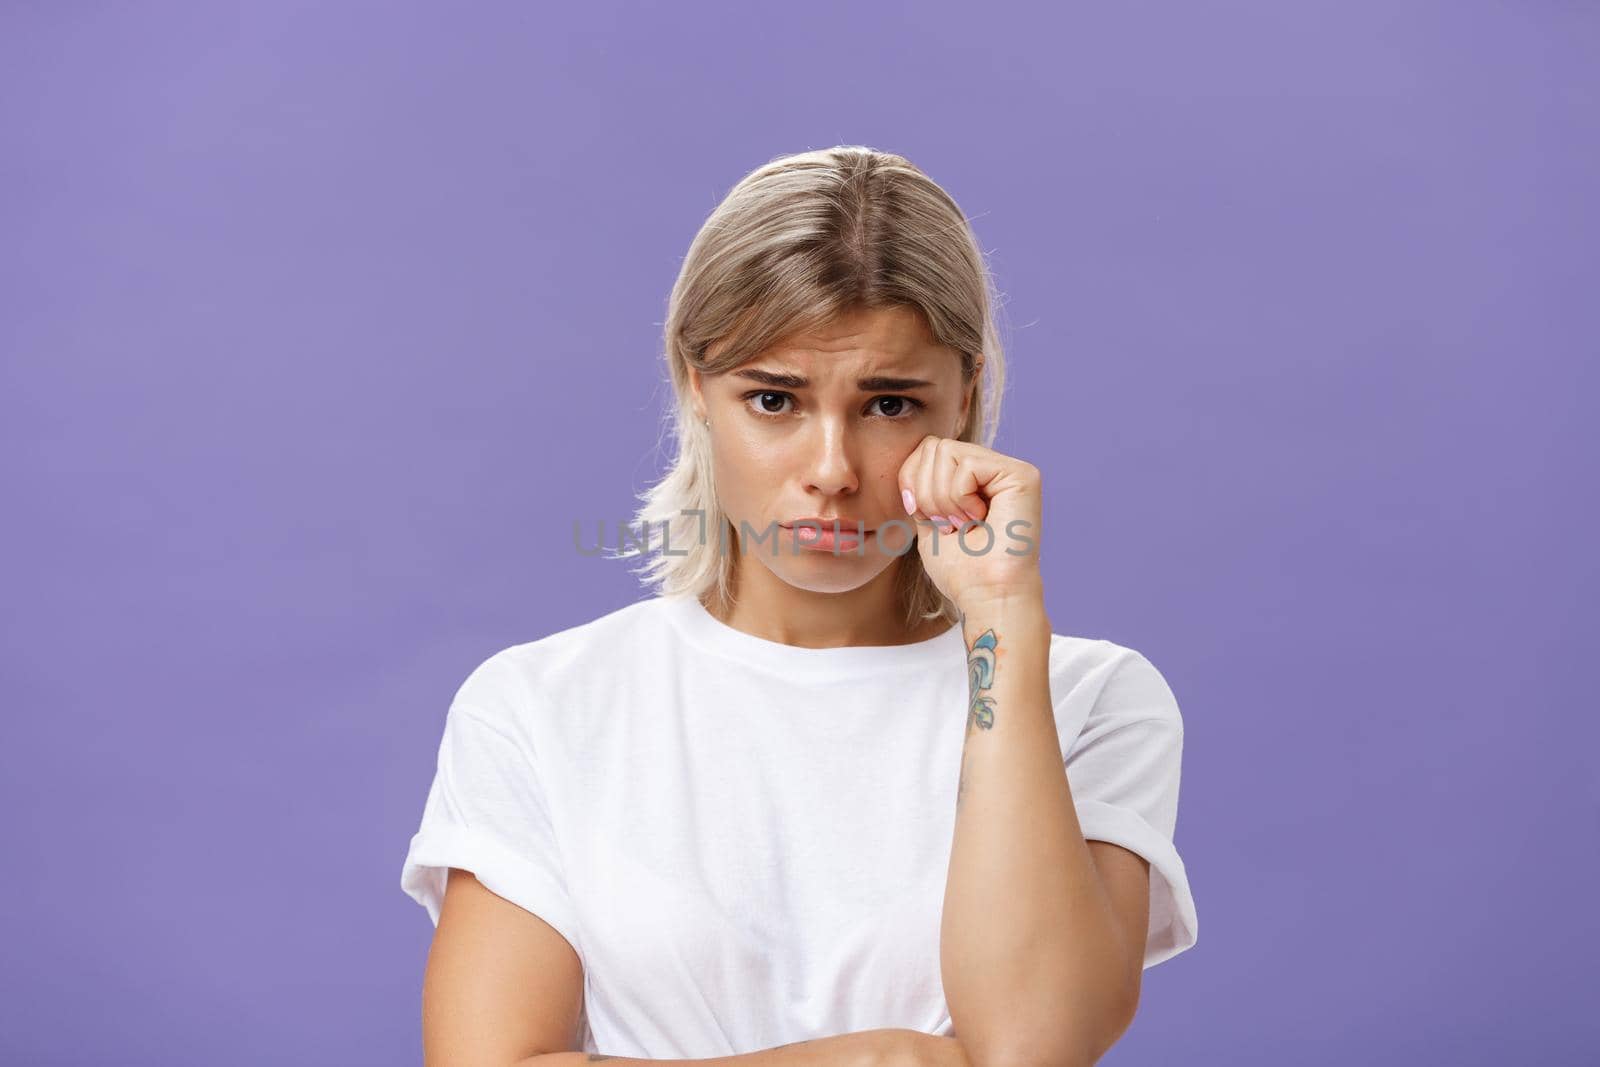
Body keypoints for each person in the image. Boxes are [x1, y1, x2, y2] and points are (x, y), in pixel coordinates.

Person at [399, 145, 1198, 1066]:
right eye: (774, 398)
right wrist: (868, 1061)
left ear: (966, 395)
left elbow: (1032, 1046)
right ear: (695, 385)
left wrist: (1001, 621)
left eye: (890, 404)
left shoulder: (1092, 697)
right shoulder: (541, 705)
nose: (832, 471)